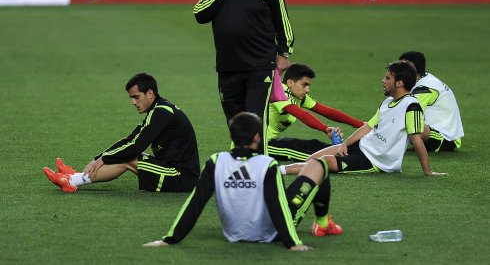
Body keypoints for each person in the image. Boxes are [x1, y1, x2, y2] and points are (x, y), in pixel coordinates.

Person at [143, 112, 342, 251]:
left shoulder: (216, 161)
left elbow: (196, 202)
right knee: (320, 165)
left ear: (231, 136)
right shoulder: (267, 164)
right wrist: (292, 243)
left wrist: (170, 239)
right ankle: (323, 223)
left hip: (233, 232)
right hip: (271, 234)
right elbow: (277, 205)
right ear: (257, 137)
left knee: (311, 166)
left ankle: (320, 222)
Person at [193, 0, 295, 150]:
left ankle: (260, 172)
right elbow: (200, 14)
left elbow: (282, 21)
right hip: (228, 66)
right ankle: (241, 170)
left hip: (259, 66)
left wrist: (284, 53)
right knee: (236, 125)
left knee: (255, 122)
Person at [43, 73, 200, 193]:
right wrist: (98, 158)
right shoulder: (158, 111)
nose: (133, 102)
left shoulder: (161, 113)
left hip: (180, 178)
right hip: (171, 170)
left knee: (129, 157)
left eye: (136, 97)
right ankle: (75, 177)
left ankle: (73, 181)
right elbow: (130, 140)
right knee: (126, 154)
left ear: (150, 93)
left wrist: (103, 159)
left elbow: (135, 147)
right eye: (131, 98)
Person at [284, 61, 447, 176]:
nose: (383, 81)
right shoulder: (388, 101)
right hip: (362, 146)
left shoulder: (412, 106)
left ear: (399, 83)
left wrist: (428, 171)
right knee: (312, 158)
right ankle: (278, 172)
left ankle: (276, 172)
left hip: (374, 161)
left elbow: (417, 140)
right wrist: (345, 145)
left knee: (322, 162)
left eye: (388, 78)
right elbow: (368, 127)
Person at [266, 63, 364, 161]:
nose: (307, 90)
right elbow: (302, 115)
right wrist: (325, 129)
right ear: (290, 82)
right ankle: (346, 161)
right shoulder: (279, 92)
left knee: (314, 144)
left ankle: (351, 153)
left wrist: (361, 125)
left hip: (272, 140)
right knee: (308, 155)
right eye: (304, 85)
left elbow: (327, 112)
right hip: (262, 144)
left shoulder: (299, 97)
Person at [399, 51, 464, 151]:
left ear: (412, 69)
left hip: (446, 139)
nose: (398, 71)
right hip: (436, 133)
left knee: (411, 123)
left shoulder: (424, 88)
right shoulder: (423, 79)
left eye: (401, 67)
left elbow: (404, 114)